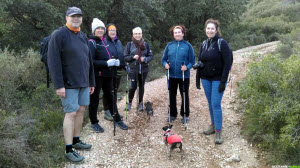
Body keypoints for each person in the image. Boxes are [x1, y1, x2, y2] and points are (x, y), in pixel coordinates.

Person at [47, 7, 95, 163]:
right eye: (73, 16)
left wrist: (91, 81)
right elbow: (53, 61)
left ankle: (76, 141)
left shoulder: (82, 36)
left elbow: (88, 61)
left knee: (81, 110)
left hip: (83, 82)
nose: (76, 18)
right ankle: (68, 149)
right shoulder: (59, 35)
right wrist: (59, 85)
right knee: (71, 113)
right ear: (66, 18)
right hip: (67, 84)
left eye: (79, 16)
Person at [195, 19, 232, 144]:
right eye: (208, 28)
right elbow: (201, 61)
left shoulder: (222, 43)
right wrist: (197, 78)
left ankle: (218, 131)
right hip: (206, 78)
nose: (210, 30)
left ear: (216, 30)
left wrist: (223, 81)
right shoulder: (204, 44)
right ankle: (212, 125)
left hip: (218, 79)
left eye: (212, 29)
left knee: (216, 104)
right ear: (205, 30)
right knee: (210, 103)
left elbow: (228, 63)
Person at [88, 19, 128, 131]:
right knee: (94, 99)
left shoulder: (105, 42)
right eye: (98, 28)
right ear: (94, 30)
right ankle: (94, 122)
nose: (100, 30)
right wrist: (106, 63)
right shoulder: (92, 42)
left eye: (102, 28)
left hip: (108, 74)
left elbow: (110, 55)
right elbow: (90, 61)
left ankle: (117, 119)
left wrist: (116, 62)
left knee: (111, 97)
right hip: (96, 75)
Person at [161, 25, 195, 124]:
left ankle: (185, 114)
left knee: (184, 95)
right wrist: (165, 65)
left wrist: (187, 67)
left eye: (179, 32)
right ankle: (172, 114)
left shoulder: (188, 46)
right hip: (171, 75)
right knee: (172, 94)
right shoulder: (169, 45)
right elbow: (163, 59)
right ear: (173, 34)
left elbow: (192, 61)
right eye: (175, 33)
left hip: (184, 75)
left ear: (183, 33)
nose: (177, 34)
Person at [124, 27, 153, 111]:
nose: (138, 35)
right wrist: (133, 57)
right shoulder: (129, 45)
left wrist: (145, 59)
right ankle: (129, 103)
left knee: (141, 86)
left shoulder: (146, 44)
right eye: (136, 34)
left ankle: (140, 103)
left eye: (139, 33)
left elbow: (151, 56)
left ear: (141, 34)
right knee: (133, 87)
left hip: (144, 69)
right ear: (133, 35)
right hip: (133, 69)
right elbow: (125, 57)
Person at [102, 23, 126, 121]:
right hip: (108, 70)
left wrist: (124, 65)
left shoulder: (118, 42)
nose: (112, 32)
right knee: (108, 90)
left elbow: (121, 55)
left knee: (115, 90)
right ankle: (107, 110)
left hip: (118, 70)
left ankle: (114, 110)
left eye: (114, 30)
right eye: (110, 30)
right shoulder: (104, 41)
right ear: (107, 32)